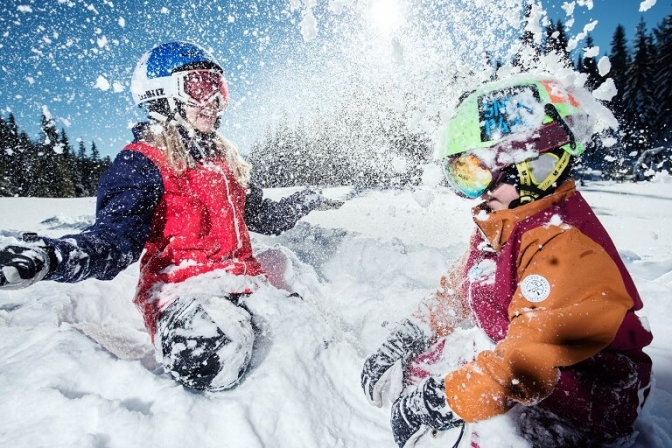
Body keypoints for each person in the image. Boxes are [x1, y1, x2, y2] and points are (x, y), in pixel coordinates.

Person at [0, 41, 341, 392]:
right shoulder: (142, 162)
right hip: (183, 292)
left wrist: (304, 201)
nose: (212, 101)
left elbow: (263, 217)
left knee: (307, 336)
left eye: (217, 88)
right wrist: (52, 257)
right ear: (162, 95)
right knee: (212, 356)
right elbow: (114, 241)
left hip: (243, 282)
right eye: (198, 87)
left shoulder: (226, 161)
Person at [361, 75, 653, 447]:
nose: (475, 194)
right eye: (463, 176)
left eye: (478, 173)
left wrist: (439, 401)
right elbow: (459, 290)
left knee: (487, 421)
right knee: (437, 359)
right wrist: (408, 335)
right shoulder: (501, 221)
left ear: (532, 165)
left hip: (592, 397)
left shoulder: (565, 248)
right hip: (530, 362)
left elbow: (525, 365)